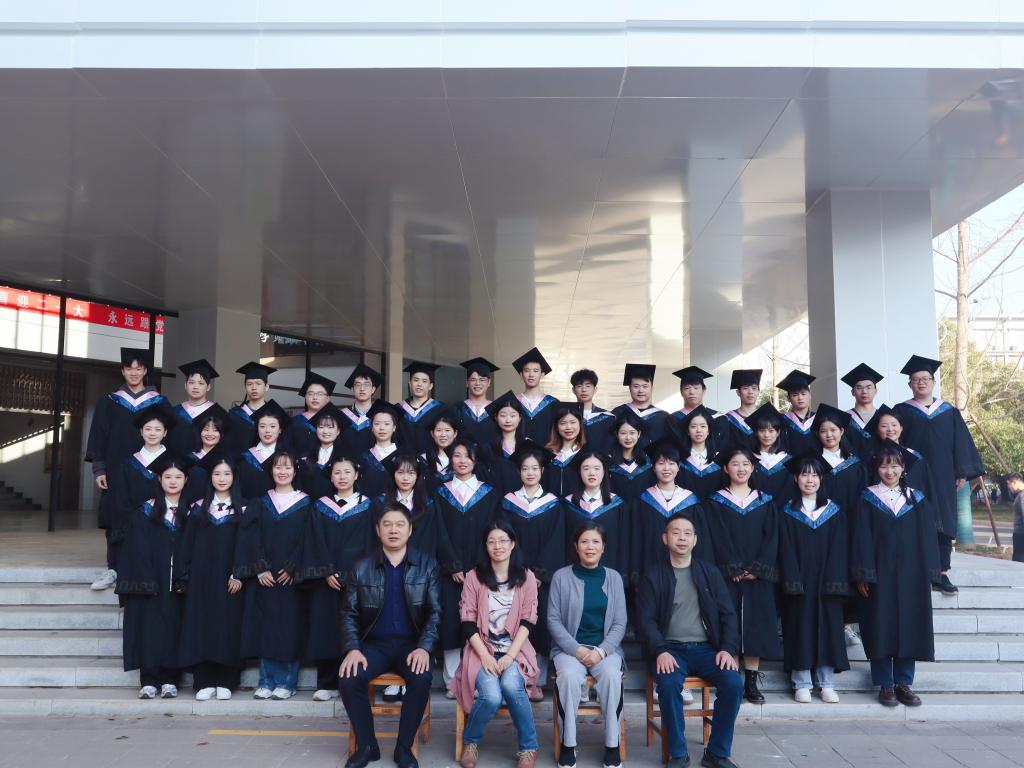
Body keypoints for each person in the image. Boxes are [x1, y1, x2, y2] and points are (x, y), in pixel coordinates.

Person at [637, 513, 744, 768]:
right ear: (665, 538)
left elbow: (728, 614)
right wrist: (660, 650)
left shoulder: (709, 572)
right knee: (668, 685)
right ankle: (678, 753)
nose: (682, 538)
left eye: (687, 533)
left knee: (733, 684)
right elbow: (645, 620)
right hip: (670, 650)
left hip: (707, 650)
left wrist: (727, 649)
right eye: (675, 532)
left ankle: (716, 753)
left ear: (695, 540)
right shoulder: (654, 575)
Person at [338, 502, 440, 768]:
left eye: (400, 525)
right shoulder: (361, 567)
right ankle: (367, 746)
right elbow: (349, 613)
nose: (393, 530)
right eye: (388, 524)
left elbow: (435, 613)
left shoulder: (427, 565)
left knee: (421, 678)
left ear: (410, 530)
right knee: (349, 678)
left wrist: (424, 647)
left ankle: (404, 747)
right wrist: (352, 648)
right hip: (374, 646)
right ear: (378, 530)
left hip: (412, 645)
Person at [851, 445, 938, 708]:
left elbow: (927, 537)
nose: (890, 471)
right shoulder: (867, 497)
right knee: (880, 624)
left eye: (895, 465)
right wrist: (863, 573)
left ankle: (903, 683)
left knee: (909, 625)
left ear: (903, 468)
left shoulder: (916, 499)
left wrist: (930, 571)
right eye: (884, 466)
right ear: (876, 468)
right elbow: (861, 538)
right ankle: (885, 683)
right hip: (880, 573)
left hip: (912, 573)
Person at [893, 355, 985, 595]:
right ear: (910, 384)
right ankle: (916, 571)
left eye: (925, 378)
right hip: (913, 475)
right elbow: (894, 441)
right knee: (914, 520)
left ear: (933, 382)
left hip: (944, 476)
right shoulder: (901, 411)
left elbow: (960, 443)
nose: (921, 382)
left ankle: (941, 573)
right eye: (916, 379)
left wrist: (962, 472)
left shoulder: (949, 411)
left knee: (944, 521)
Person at [453, 520, 540, 768]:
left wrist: (510, 656)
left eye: (503, 540)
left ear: (512, 544)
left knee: (512, 686)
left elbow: (528, 620)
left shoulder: (526, 577)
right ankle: (470, 742)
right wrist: (485, 656)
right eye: (491, 541)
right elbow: (467, 620)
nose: (497, 546)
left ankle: (528, 748)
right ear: (485, 546)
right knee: (491, 696)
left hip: (516, 651)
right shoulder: (474, 577)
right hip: (482, 650)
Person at [86, 347, 168, 591]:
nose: (134, 373)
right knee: (116, 517)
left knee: (151, 515)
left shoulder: (159, 403)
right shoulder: (109, 402)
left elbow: (170, 439)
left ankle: (147, 567)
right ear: (122, 371)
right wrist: (99, 469)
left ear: (145, 371)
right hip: (115, 470)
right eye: (129, 368)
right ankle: (114, 568)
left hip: (151, 471)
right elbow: (98, 436)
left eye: (138, 368)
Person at [704, 447, 782, 704]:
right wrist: (732, 567)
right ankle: (731, 678)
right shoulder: (715, 502)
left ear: (753, 468)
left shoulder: (765, 501)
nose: (741, 468)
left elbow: (772, 538)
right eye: (735, 464)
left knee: (755, 625)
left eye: (745, 464)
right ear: (726, 469)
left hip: (757, 578)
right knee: (729, 623)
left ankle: (751, 680)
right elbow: (715, 536)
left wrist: (757, 568)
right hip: (727, 577)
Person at [548, 523, 628, 768]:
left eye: (595, 542)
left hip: (606, 649)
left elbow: (620, 622)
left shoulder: (614, 578)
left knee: (612, 676)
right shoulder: (561, 577)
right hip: (569, 650)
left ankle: (612, 745)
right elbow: (553, 620)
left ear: (603, 547)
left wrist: (601, 651)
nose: (590, 547)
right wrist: (577, 650)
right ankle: (568, 744)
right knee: (569, 677)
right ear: (576, 546)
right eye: (584, 541)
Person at [234, 450, 311, 700]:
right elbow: (250, 536)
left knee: (289, 627)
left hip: (291, 577)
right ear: (271, 471)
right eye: (278, 467)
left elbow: (308, 539)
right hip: (265, 575)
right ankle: (266, 681)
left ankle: (287, 683)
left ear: (295, 471)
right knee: (266, 627)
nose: (282, 471)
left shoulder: (306, 503)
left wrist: (293, 567)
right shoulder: (260, 502)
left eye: (287, 467)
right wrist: (260, 567)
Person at [300, 454, 374, 701]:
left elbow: (369, 544)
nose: (342, 477)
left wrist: (354, 573)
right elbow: (314, 540)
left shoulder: (368, 506)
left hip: (357, 580)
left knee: (355, 627)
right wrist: (326, 570)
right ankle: (327, 682)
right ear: (331, 477)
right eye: (337, 472)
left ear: (357, 475)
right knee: (326, 628)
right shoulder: (320, 506)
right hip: (326, 580)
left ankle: (353, 682)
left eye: (347, 472)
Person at [115, 453, 188, 699]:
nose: (173, 481)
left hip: (178, 583)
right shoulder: (145, 511)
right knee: (149, 628)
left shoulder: (192, 512)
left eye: (178, 477)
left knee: (174, 628)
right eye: (168, 477)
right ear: (159, 479)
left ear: (186, 480)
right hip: (151, 582)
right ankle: (148, 680)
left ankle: (170, 679)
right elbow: (136, 548)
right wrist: (146, 578)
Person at [174, 452, 246, 701]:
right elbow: (186, 546)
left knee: (228, 626)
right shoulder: (198, 509)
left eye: (227, 474)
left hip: (231, 579)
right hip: (201, 579)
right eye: (217, 474)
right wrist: (184, 576)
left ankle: (227, 679)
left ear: (234, 477)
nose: (222, 478)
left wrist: (239, 572)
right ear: (210, 478)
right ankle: (203, 680)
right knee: (201, 625)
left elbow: (247, 545)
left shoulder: (244, 509)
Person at [778, 456, 849, 704]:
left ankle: (826, 683)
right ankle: (802, 682)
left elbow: (840, 548)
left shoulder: (834, 511)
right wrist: (792, 579)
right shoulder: (787, 512)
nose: (810, 480)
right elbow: (784, 549)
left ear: (821, 479)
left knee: (829, 630)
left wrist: (834, 579)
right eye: (805, 475)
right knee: (799, 628)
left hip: (827, 582)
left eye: (815, 475)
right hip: (799, 582)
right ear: (795, 479)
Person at [433, 438, 500, 689]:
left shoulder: (489, 493)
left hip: (480, 569)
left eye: (468, 456)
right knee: (451, 621)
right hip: (448, 571)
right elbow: (438, 531)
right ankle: (452, 679)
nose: (462, 461)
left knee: (480, 620)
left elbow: (492, 531)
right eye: (457, 455)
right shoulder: (440, 492)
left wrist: (480, 565)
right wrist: (452, 564)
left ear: (476, 460)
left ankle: (478, 677)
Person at [501, 442, 563, 693]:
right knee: (513, 623)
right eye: (525, 468)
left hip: (542, 579)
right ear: (519, 472)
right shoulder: (508, 502)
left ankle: (537, 678)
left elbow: (556, 541)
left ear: (542, 471)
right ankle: (515, 677)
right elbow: (505, 538)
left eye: (535, 468)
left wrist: (540, 573)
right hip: (514, 574)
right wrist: (520, 571)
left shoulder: (553, 503)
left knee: (541, 626)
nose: (530, 473)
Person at [114, 405, 177, 550]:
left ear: (165, 433)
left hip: (167, 523)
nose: (152, 433)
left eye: (158, 429)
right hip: (135, 526)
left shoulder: (174, 461)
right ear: (141, 432)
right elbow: (121, 498)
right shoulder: (128, 463)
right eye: (148, 429)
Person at [562, 451, 630, 577]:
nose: (592, 473)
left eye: (597, 468)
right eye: (586, 468)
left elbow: (623, 544)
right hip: (574, 575)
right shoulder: (567, 505)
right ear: (579, 472)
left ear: (604, 472)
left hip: (609, 575)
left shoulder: (617, 505)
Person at [811, 404, 867, 516]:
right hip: (821, 520)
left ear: (841, 431)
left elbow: (863, 498)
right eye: (823, 431)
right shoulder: (812, 463)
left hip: (852, 518)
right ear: (817, 434)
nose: (829, 435)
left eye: (833, 430)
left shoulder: (855, 464)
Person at [236, 399, 290, 500]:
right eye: (262, 426)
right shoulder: (245, 458)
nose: (267, 430)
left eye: (272, 426)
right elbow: (238, 491)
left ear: (280, 430)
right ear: (257, 430)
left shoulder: (288, 457)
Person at [168, 359, 220, 457]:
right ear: (185, 385)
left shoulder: (218, 412)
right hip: (179, 463)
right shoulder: (175, 412)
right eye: (191, 382)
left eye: (201, 383)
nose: (195, 387)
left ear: (208, 387)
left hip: (208, 463)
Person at [612, 363, 670, 447]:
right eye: (636, 386)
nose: (641, 390)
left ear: (652, 388)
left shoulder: (663, 417)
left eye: (645, 386)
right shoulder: (618, 412)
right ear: (629, 388)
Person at [746, 402, 794, 502]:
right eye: (762, 430)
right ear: (756, 432)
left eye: (771, 430)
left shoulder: (788, 461)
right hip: (757, 509)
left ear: (778, 432)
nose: (766, 435)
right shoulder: (749, 460)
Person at [297, 403, 345, 500]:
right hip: (309, 504)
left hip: (335, 505)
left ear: (338, 431)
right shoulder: (304, 457)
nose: (325, 431)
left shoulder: (345, 457)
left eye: (330, 427)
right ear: (316, 429)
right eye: (321, 427)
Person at [227, 361, 276, 456]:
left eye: (258, 383)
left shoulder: (275, 414)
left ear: (266, 387)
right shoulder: (235, 414)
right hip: (240, 463)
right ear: (245, 387)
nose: (254, 387)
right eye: (249, 384)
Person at [677, 405, 726, 501]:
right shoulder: (680, 460)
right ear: (688, 431)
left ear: (708, 431)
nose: (698, 430)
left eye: (703, 426)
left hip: (714, 508)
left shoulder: (719, 459)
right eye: (693, 426)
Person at [483, 390, 527, 495]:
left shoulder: (527, 445)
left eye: (513, 416)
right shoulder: (487, 447)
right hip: (494, 497)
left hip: (521, 500)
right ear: (496, 417)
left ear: (520, 418)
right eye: (503, 415)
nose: (508, 420)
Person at [357, 400, 403, 499]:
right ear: (372, 428)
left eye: (387, 424)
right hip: (369, 506)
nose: (382, 428)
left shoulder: (404, 456)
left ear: (394, 427)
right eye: (377, 424)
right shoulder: (363, 458)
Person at [512, 347, 558, 445]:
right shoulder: (513, 401)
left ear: (542, 374)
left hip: (546, 452)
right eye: (527, 371)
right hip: (518, 452)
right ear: (521, 374)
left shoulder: (553, 403)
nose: (531, 374)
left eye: (536, 371)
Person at [398, 361, 444, 455]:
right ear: (410, 383)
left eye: (424, 381)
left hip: (431, 460)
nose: (419, 384)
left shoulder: (441, 409)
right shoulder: (398, 409)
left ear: (430, 386)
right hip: (404, 461)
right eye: (416, 380)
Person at [608, 410, 654, 503]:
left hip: (643, 508)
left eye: (632, 433)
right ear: (616, 434)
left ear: (639, 434)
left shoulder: (648, 462)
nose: (628, 438)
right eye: (623, 433)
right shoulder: (608, 463)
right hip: (617, 509)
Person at [840, 363, 883, 459]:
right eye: (859, 388)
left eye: (869, 387)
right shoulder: (844, 418)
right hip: (854, 466)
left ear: (876, 391)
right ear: (852, 392)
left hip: (881, 465)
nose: (864, 391)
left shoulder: (883, 417)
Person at [544, 402, 586, 499]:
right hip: (551, 505)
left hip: (577, 505)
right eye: (563, 423)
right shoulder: (547, 453)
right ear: (556, 426)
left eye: (573, 422)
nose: (568, 427)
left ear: (580, 424)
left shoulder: (587, 453)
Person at [340, 363, 383, 458]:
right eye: (358, 385)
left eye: (366, 385)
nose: (362, 389)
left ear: (373, 389)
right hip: (348, 464)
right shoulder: (342, 416)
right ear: (352, 389)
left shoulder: (381, 415)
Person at [456, 357, 501, 447]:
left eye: (482, 379)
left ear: (489, 382)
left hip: (491, 455)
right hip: (464, 455)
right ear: (467, 383)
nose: (477, 383)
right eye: (473, 379)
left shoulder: (497, 409)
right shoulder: (457, 408)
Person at [291, 372, 338, 456]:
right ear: (305, 397)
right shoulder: (294, 422)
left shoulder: (336, 421)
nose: (315, 397)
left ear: (327, 398)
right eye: (310, 393)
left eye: (320, 394)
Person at [571, 368, 615, 458]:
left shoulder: (607, 417)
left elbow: (610, 447)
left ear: (595, 390)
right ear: (573, 390)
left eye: (588, 386)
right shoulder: (567, 415)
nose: (584, 390)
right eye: (579, 386)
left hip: (598, 463)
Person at [670, 366, 719, 443]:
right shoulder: (673, 419)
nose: (692, 392)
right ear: (681, 392)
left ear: (704, 390)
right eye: (687, 388)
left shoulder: (717, 417)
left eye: (696, 388)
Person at [776, 369, 817, 458]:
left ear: (810, 395)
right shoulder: (782, 420)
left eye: (803, 394)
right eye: (795, 395)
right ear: (788, 398)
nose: (800, 398)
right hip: (790, 465)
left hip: (816, 466)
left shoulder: (818, 418)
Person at [419, 406, 460, 494]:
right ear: (432, 433)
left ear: (455, 433)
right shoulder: (422, 460)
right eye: (438, 430)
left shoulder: (462, 460)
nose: (443, 434)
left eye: (447, 430)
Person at [719, 369, 762, 452]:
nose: (750, 392)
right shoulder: (728, 419)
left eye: (754, 388)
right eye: (745, 388)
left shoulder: (766, 418)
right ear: (738, 392)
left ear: (758, 392)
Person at [1008, 472, 1024, 563]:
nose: (1009, 487)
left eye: (1009, 484)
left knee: (1018, 561)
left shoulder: (1022, 496)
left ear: (1015, 483)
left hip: (1021, 534)